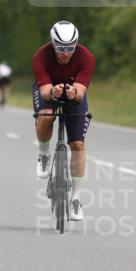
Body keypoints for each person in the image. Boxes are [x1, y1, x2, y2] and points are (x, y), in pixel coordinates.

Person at [32, 20, 95, 221]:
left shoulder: (86, 58)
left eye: (70, 48)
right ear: (52, 43)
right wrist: (53, 91)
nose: (65, 53)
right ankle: (43, 155)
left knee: (77, 143)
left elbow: (81, 93)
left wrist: (73, 92)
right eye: (60, 48)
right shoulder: (41, 56)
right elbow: (43, 91)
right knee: (46, 116)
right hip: (48, 88)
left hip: (73, 92)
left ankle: (75, 198)